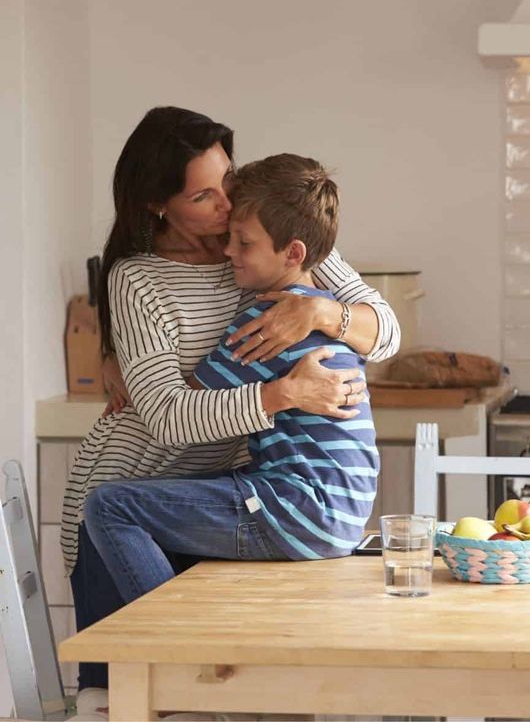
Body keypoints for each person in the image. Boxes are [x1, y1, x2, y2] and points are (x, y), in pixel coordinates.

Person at [63, 107, 399, 692]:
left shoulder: (265, 230)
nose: (225, 208)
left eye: (228, 181)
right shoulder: (138, 278)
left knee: (207, 683)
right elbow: (166, 416)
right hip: (135, 482)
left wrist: (321, 310)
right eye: (204, 197)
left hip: (221, 492)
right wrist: (282, 393)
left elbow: (387, 332)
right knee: (123, 692)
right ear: (156, 204)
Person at [83, 153, 379, 603]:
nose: (228, 250)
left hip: (297, 508)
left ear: (293, 253)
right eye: (204, 196)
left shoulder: (267, 325)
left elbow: (185, 406)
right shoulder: (316, 305)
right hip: (337, 511)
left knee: (109, 506)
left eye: (242, 242)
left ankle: (167, 642)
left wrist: (131, 366)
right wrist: (116, 353)